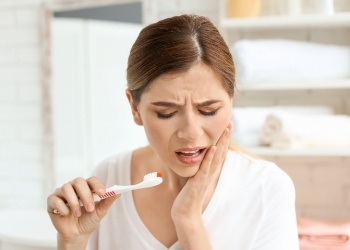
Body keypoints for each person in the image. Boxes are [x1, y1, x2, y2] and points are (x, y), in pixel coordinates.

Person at [47, 14, 299, 250]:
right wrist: (72, 241)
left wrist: (188, 220)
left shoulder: (266, 189)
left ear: (231, 101)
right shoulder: (110, 178)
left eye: (208, 110)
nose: (190, 132)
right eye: (166, 113)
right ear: (135, 108)